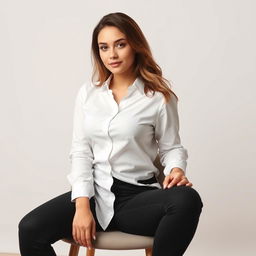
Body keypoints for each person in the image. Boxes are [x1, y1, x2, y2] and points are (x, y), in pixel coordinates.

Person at [18, 12, 203, 256]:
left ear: (135, 46)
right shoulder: (88, 94)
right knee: (30, 229)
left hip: (136, 199)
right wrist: (82, 207)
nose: (112, 55)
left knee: (187, 200)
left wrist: (176, 170)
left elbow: (171, 148)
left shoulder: (158, 98)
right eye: (104, 47)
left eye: (120, 45)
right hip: (95, 195)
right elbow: (81, 151)